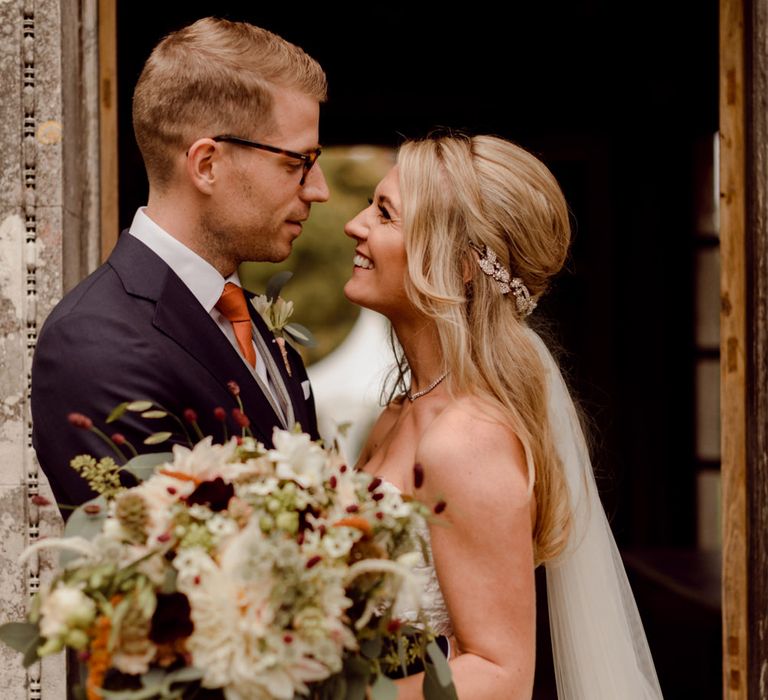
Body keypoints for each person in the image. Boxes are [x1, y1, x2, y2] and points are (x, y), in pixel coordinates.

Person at [344, 132, 664, 699]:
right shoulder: (398, 415)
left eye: (386, 213)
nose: (355, 224)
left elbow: (500, 673)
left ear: (462, 266)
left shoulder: (467, 440)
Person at [31, 17, 329, 514]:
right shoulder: (93, 340)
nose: (318, 188)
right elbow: (158, 562)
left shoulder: (250, 315)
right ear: (207, 164)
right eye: (297, 162)